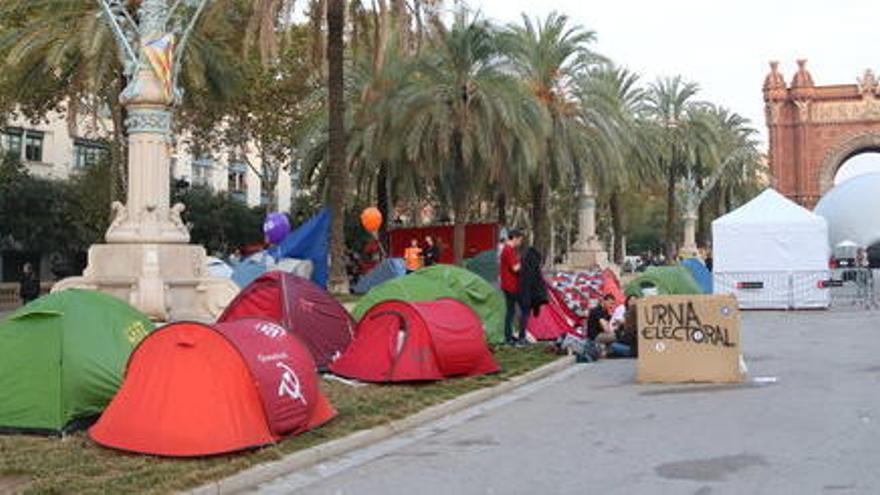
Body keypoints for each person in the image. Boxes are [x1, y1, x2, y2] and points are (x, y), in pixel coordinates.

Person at [500, 229, 527, 346]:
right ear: (514, 238)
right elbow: (515, 268)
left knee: (510, 311)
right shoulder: (509, 250)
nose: (520, 243)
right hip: (512, 285)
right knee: (523, 310)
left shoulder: (507, 249)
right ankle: (520, 336)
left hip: (507, 284)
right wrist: (524, 263)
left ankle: (509, 337)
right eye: (520, 240)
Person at [518, 243, 548, 324]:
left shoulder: (523, 263)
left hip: (524, 291)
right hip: (533, 293)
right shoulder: (535, 268)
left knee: (524, 313)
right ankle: (535, 306)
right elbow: (539, 282)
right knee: (526, 313)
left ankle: (522, 333)